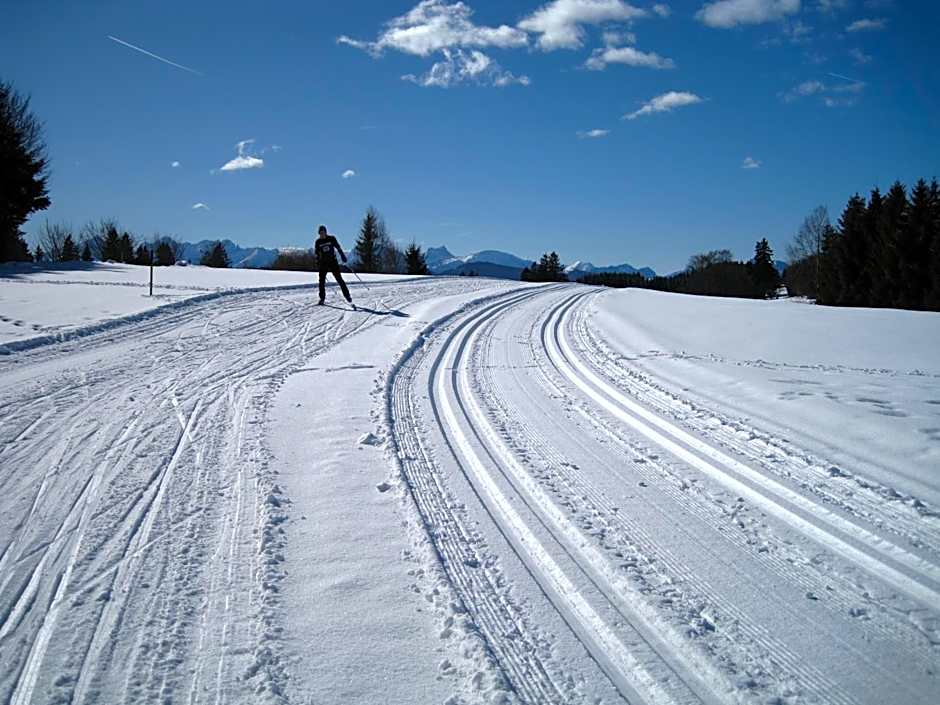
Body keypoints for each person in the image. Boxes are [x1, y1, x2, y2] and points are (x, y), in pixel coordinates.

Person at [314, 225, 352, 306]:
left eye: (323, 232)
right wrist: (318, 262)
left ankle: (347, 295)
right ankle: (322, 298)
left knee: (339, 279)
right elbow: (317, 253)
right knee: (321, 281)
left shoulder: (331, 238)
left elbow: (338, 247)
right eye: (320, 233)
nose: (322, 234)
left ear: (326, 232)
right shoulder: (318, 242)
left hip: (333, 262)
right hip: (323, 263)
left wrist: (342, 255)